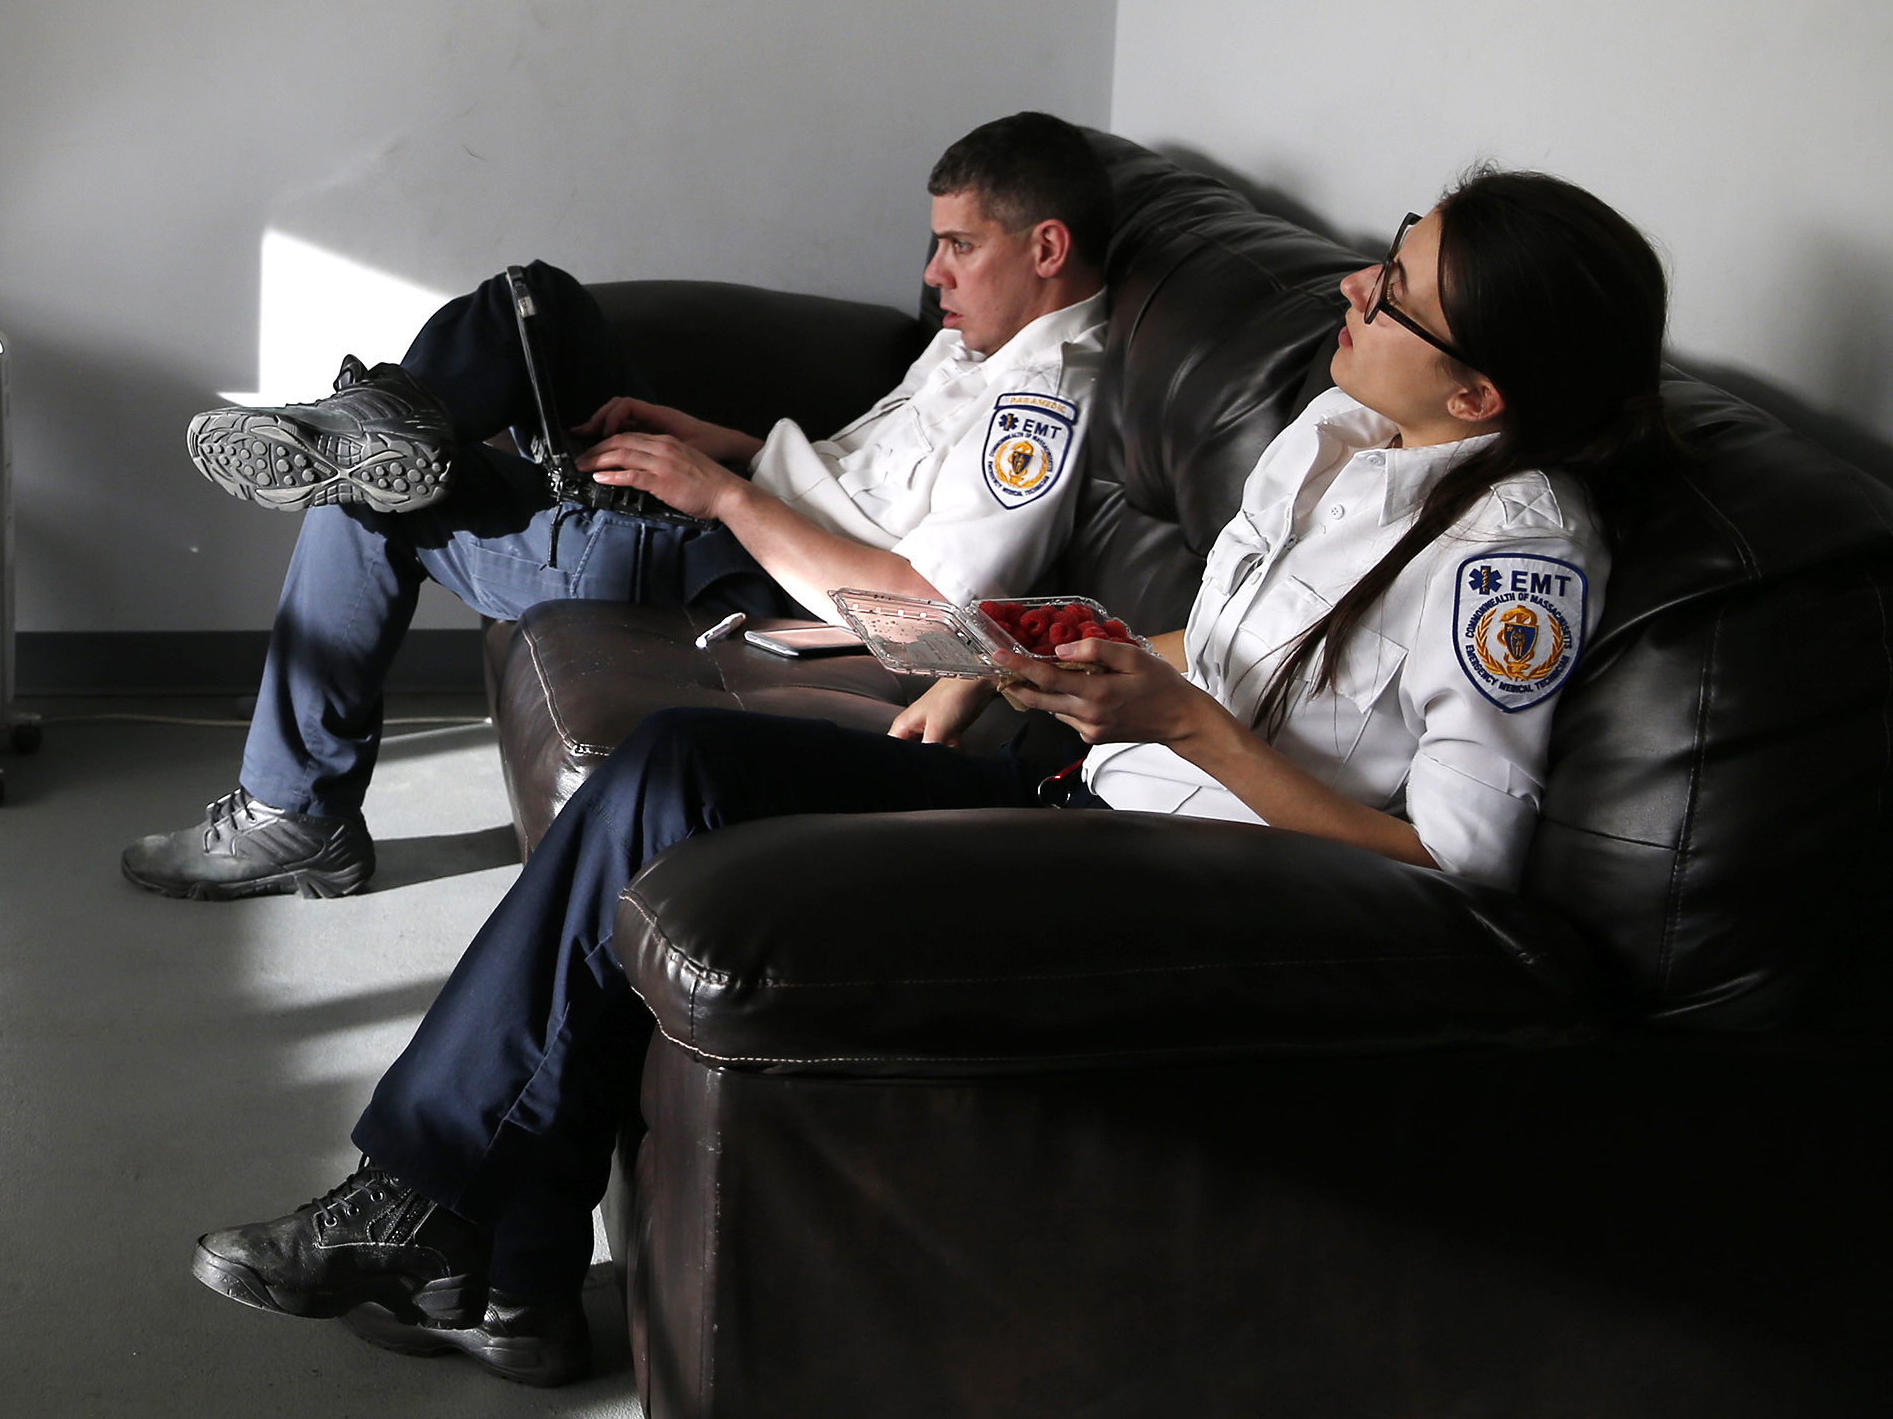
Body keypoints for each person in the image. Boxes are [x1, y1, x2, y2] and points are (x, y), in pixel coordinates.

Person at [187, 169, 1668, 1387]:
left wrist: (1181, 726)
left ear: (1477, 395)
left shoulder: (1513, 557)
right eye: (1382, 257)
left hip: (1206, 890)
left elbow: (1457, 871)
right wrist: (1016, 655)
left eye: (1393, 293)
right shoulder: (1342, 429)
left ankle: (446, 1220)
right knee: (671, 764)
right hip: (1096, 789)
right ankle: (488, 1259)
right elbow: (1221, 642)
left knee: (664, 768)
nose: (1352, 289)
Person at [122, 112, 1117, 900]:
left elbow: (928, 620)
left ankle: (292, 816)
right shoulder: (975, 337)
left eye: (958, 246)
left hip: (727, 565)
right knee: (536, 302)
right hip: (735, 510)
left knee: (362, 507)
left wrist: (717, 492)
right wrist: (700, 436)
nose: (932, 272)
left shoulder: (1041, 404)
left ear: (1045, 247)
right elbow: (841, 470)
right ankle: (395, 418)